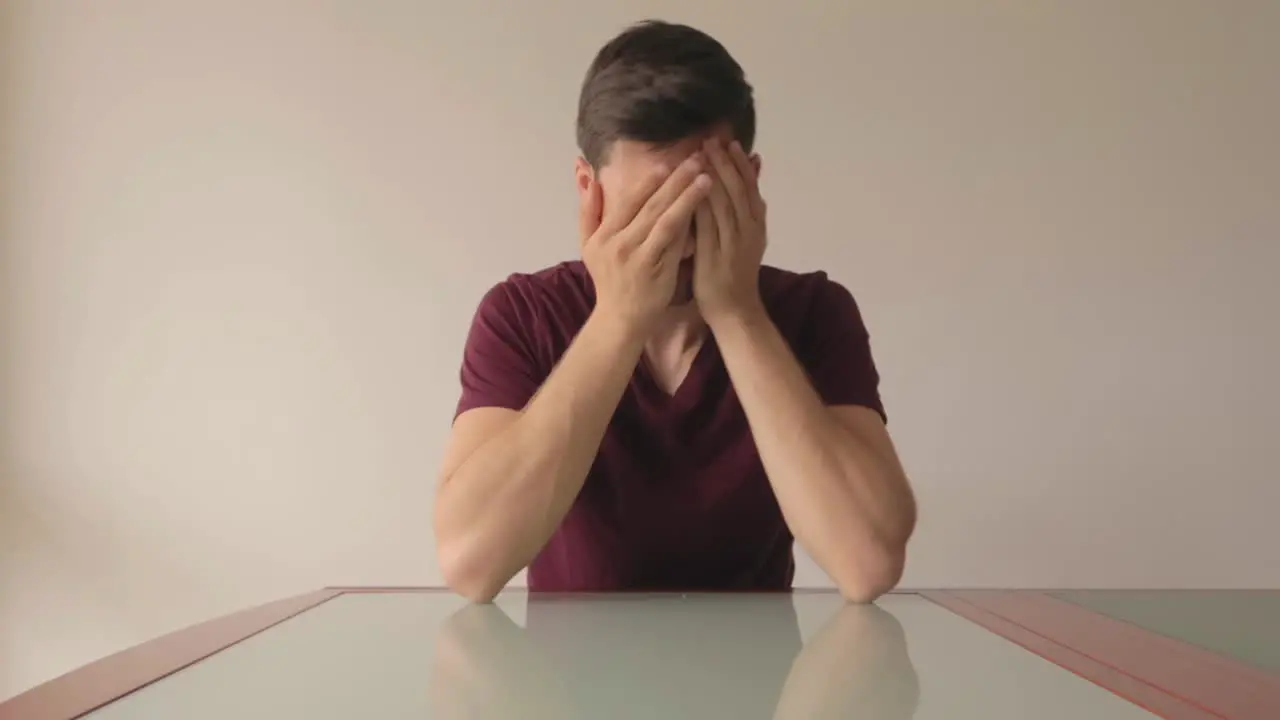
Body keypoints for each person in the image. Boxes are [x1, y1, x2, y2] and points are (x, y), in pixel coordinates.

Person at [434, 19, 917, 603]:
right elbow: (469, 563)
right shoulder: (521, 314)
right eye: (649, 207)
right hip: (562, 685)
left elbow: (868, 563)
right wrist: (618, 318)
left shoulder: (814, 312)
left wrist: (737, 313)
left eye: (702, 203)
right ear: (588, 188)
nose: (678, 237)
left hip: (755, 683)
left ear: (750, 183)